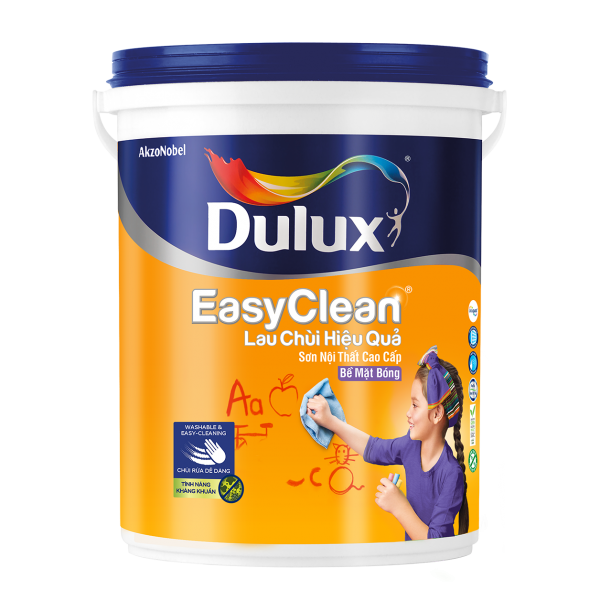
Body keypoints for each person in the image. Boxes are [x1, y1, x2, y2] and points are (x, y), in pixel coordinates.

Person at [307, 346, 469, 540]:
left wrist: (398, 506)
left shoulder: (451, 474)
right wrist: (330, 421)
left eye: (415, 405)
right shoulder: (411, 446)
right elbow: (374, 449)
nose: (408, 413)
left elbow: (436, 544)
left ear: (437, 414)